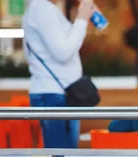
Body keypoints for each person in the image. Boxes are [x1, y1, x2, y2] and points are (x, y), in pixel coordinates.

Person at [23, 0, 95, 148]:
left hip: (55, 93)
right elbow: (63, 52)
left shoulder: (38, 8)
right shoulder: (42, 8)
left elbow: (28, 55)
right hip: (55, 95)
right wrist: (81, 20)